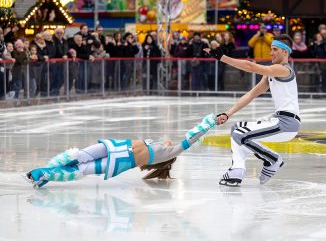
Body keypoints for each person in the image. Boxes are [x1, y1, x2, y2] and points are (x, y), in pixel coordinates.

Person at [204, 34, 301, 186]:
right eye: (271, 49)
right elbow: (251, 94)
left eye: (274, 49)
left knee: (239, 134)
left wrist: (223, 58)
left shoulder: (284, 70)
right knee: (237, 129)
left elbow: (251, 67)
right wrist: (227, 113)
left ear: (285, 52)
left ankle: (272, 159)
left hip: (286, 123)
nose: (271, 53)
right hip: (279, 121)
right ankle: (237, 169)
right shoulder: (271, 74)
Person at [24, 113, 219, 188]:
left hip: (119, 162)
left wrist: (207, 125)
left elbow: (189, 141)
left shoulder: (169, 152)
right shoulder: (157, 144)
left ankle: (38, 174)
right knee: (78, 156)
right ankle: (46, 175)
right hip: (115, 146)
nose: (170, 140)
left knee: (80, 169)